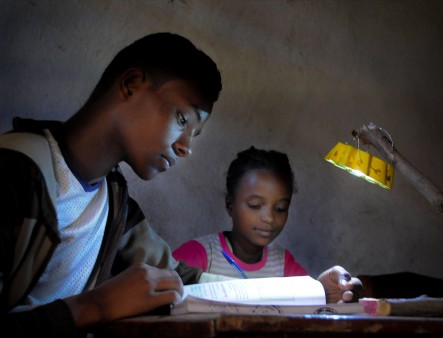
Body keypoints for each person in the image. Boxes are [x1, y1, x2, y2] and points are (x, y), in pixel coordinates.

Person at [0, 33, 361, 337]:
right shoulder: (14, 171)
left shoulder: (115, 207)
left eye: (195, 134)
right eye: (182, 119)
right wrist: (95, 305)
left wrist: (313, 289)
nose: (186, 146)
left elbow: (191, 282)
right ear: (130, 85)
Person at [173, 146, 363, 302]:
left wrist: (323, 292)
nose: (269, 218)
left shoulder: (283, 264)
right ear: (230, 205)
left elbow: (306, 303)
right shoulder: (201, 255)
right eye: (255, 205)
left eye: (280, 208)